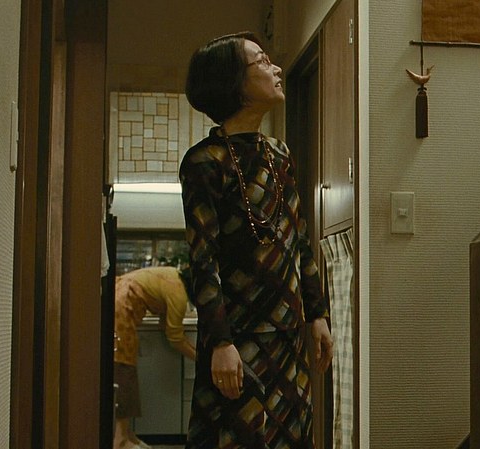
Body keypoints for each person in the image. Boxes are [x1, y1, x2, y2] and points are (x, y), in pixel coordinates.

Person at [180, 31, 334, 449]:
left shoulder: (279, 154)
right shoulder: (204, 162)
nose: (277, 69)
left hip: (288, 336)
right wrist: (220, 342)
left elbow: (300, 240)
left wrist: (317, 314)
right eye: (262, 62)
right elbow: (203, 260)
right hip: (237, 338)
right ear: (234, 82)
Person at [113, 266, 197, 449]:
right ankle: (120, 439)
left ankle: (127, 434)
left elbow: (165, 325)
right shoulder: (178, 293)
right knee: (124, 369)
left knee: (124, 369)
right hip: (123, 306)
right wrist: (200, 359)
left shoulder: (173, 277)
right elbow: (175, 338)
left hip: (119, 297)